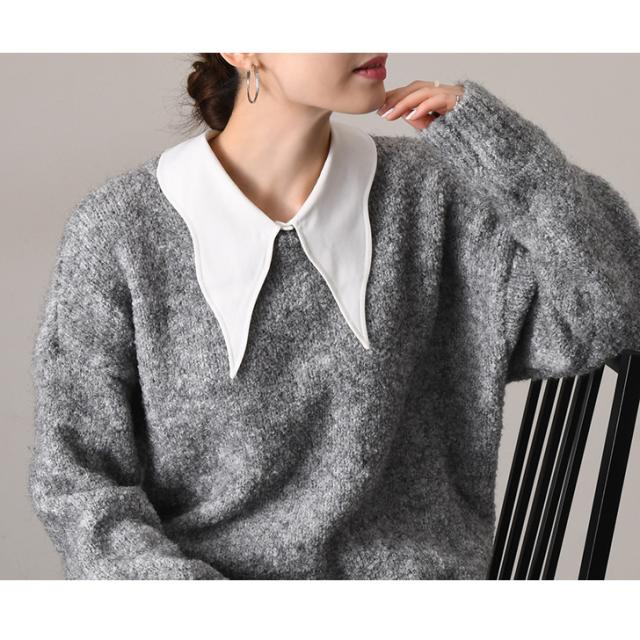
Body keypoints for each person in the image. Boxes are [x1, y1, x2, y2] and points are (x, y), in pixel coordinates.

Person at [28, 53, 640, 580]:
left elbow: (610, 308)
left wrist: (499, 147)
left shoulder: (433, 196)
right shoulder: (120, 231)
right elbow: (77, 482)